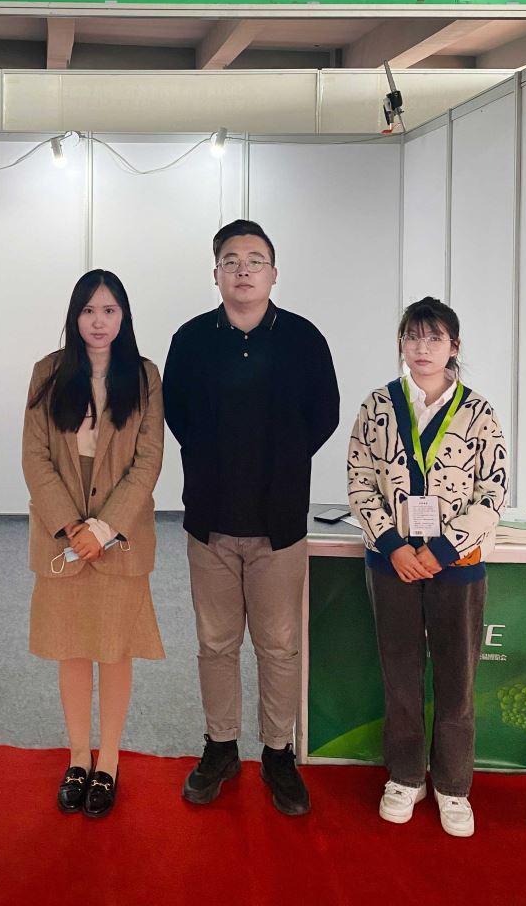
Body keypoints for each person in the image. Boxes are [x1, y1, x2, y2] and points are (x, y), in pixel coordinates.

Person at [163, 220, 339, 816]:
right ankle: (220, 746)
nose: (243, 270)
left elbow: (324, 413)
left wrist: (282, 463)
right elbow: (177, 414)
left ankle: (277, 753)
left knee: (279, 645)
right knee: (215, 643)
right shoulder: (191, 340)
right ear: (215, 273)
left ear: (273, 273)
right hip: (210, 520)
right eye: (232, 260)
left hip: (278, 523)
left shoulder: (303, 339)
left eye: (255, 260)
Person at [347, 296, 507, 838]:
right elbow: (359, 480)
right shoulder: (378, 405)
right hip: (391, 562)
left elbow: (493, 493)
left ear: (453, 346)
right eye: (413, 337)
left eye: (434, 337)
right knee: (400, 673)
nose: (423, 347)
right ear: (401, 344)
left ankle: (454, 785)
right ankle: (406, 776)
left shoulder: (478, 412)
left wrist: (442, 550)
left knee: (457, 678)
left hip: (456, 565)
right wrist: (394, 544)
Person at [22, 269, 164, 819]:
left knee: (114, 648)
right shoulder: (48, 372)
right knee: (72, 646)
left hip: (119, 534)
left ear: (123, 316)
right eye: (88, 310)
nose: (98, 322)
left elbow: (147, 461)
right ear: (74, 316)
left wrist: (103, 529)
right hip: (61, 531)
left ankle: (109, 761)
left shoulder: (145, 377)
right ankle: (78, 757)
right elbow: (35, 457)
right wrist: (69, 527)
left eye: (109, 310)